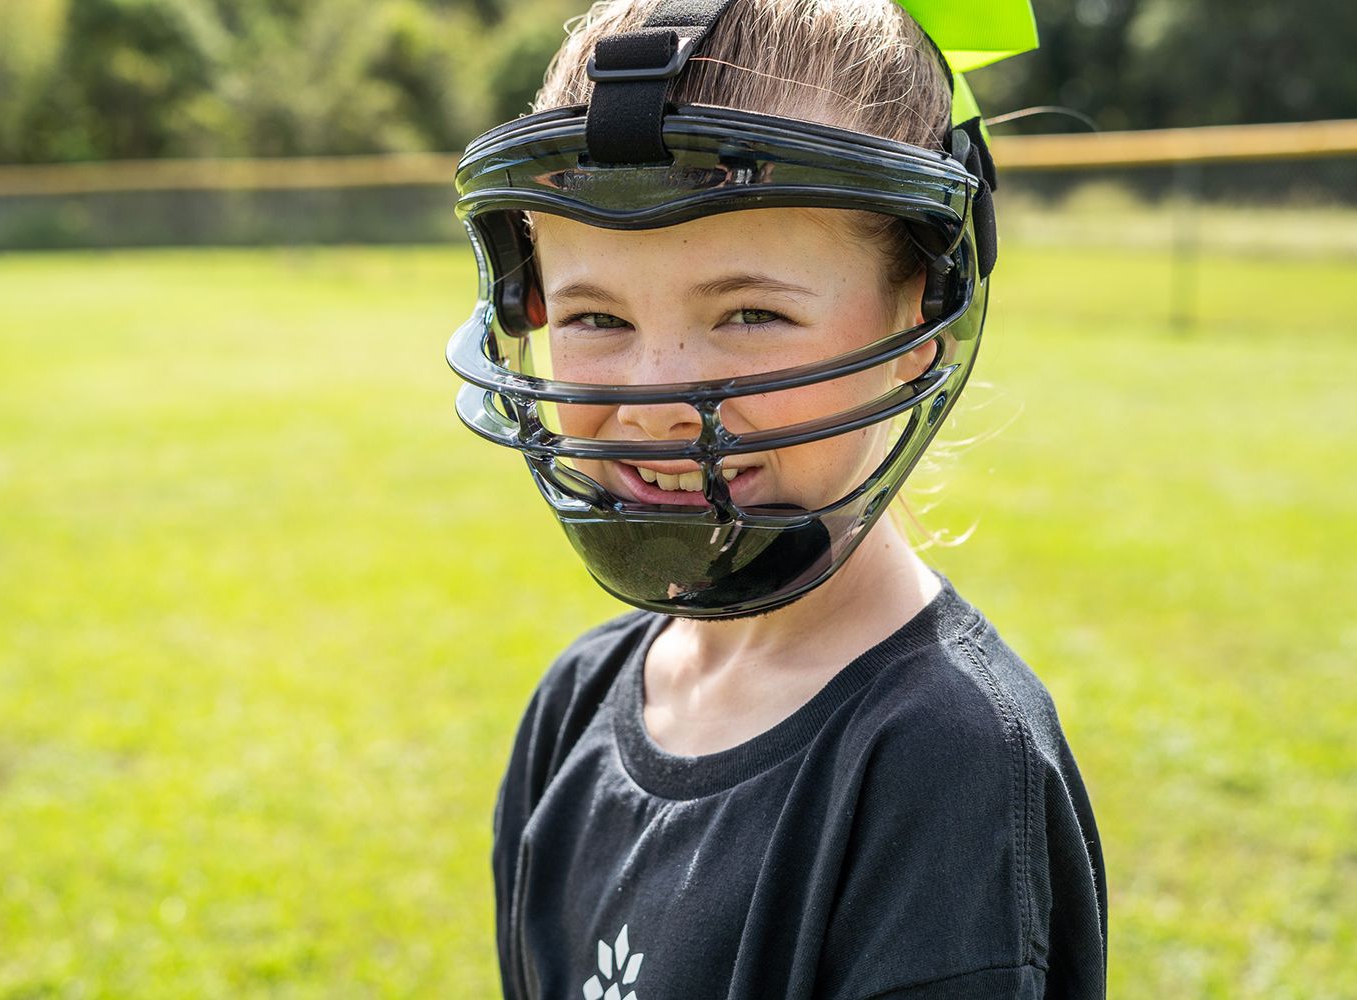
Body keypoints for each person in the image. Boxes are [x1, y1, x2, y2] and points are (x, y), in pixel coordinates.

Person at [445, 1, 1108, 997]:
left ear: (921, 315)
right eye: (595, 315)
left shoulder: (942, 761)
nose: (656, 395)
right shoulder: (573, 704)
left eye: (750, 313)